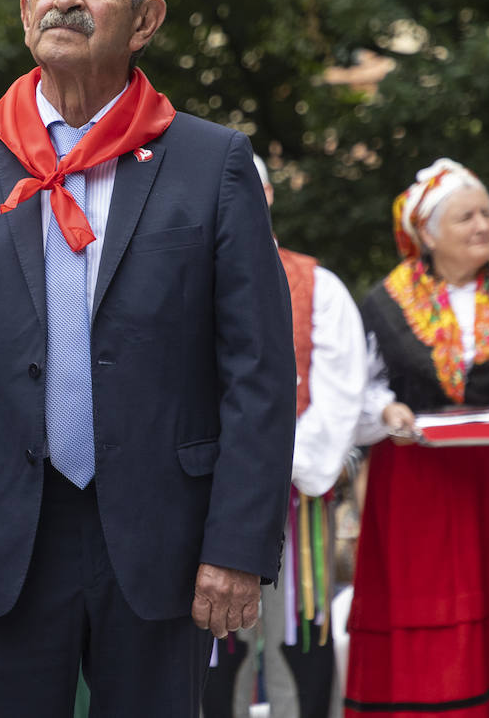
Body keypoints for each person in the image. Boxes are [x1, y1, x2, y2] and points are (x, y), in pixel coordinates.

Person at [0, 0, 297, 716]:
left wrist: (238, 549)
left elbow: (259, 372)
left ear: (145, 22)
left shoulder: (213, 163)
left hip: (167, 548)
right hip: (3, 545)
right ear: (26, 10)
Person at [343, 158, 489, 718]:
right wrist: (387, 409)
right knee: (433, 601)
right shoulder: (384, 304)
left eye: (487, 213)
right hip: (426, 482)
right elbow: (359, 387)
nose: (483, 225)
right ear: (427, 234)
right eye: (466, 217)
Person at [204, 155, 366, 718]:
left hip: (298, 497)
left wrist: (279, 464)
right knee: (212, 649)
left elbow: (343, 389)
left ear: (267, 196)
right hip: (202, 500)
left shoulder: (317, 285)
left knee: (299, 641)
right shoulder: (176, 277)